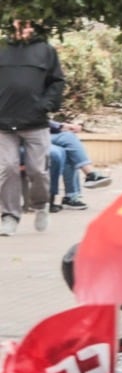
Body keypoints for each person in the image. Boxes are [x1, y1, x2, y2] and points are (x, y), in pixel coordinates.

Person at [0, 18, 68, 235]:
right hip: (3, 121)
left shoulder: (45, 51)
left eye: (30, 25)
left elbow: (57, 81)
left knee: (38, 170)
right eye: (21, 24)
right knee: (8, 168)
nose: (25, 29)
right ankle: (9, 216)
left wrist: (45, 105)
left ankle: (41, 206)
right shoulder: (2, 49)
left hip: (35, 121)